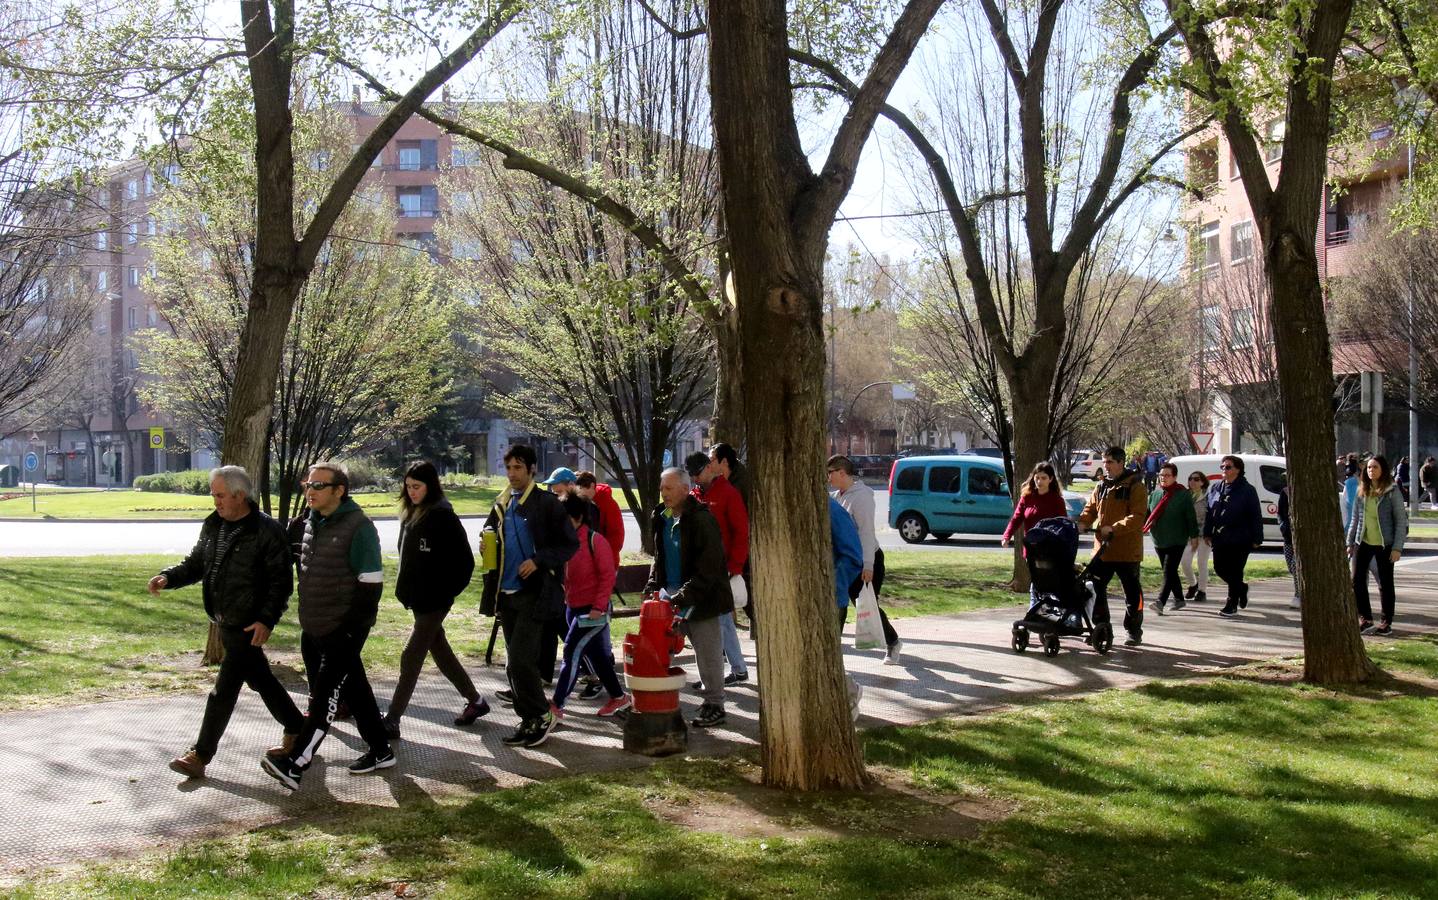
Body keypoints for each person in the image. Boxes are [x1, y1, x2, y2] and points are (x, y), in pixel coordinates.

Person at [151, 466, 304, 779]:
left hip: (247, 623)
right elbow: (196, 564)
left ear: (239, 495)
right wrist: (168, 577)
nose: (216, 501)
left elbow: (280, 582)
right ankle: (298, 728)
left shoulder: (266, 530)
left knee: (224, 690)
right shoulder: (213, 525)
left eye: (220, 495)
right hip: (224, 619)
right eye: (214, 495)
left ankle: (200, 755)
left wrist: (266, 619)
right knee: (260, 679)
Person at [261, 462, 393, 791]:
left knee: (324, 697)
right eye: (309, 485)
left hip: (343, 629)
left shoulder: (359, 527)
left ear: (339, 491)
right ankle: (380, 749)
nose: (311, 491)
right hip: (314, 626)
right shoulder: (309, 523)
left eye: (320, 486)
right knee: (356, 689)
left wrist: (349, 631)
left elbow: (371, 585)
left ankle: (296, 764)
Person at [479, 444, 579, 748]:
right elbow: (490, 530)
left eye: (518, 468)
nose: (512, 474)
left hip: (535, 594)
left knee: (522, 660)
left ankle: (543, 715)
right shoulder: (502, 502)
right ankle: (528, 719)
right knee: (513, 664)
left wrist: (538, 561)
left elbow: (568, 544)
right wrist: (485, 543)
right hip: (505, 593)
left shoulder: (546, 504)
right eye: (508, 468)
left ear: (532, 469)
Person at [381, 461, 486, 741]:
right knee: (439, 650)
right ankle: (475, 701)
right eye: (408, 487)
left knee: (411, 654)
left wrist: (445, 594)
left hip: (435, 601)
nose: (412, 492)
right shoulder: (411, 514)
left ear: (430, 486)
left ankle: (392, 719)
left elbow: (465, 563)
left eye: (417, 487)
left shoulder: (443, 517)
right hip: (418, 600)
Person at [646, 466, 733, 728]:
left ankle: (715, 704)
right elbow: (659, 558)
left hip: (701, 597)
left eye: (669, 488)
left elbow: (709, 568)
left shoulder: (702, 520)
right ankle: (651, 699)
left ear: (685, 489)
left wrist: (683, 597)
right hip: (670, 596)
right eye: (662, 488)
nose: (664, 493)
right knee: (659, 649)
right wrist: (653, 585)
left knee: (707, 653)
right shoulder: (660, 517)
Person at [551, 494, 631, 716]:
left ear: (577, 518)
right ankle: (619, 697)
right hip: (573, 608)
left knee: (571, 652)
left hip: (592, 613)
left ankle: (557, 705)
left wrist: (598, 607)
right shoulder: (565, 542)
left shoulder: (596, 541)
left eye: (563, 518)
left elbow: (607, 577)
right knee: (597, 657)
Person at [829, 454, 903, 663]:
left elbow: (866, 533)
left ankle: (893, 642)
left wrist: (868, 565)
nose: (828, 478)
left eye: (830, 473)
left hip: (867, 559)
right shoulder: (837, 496)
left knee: (866, 604)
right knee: (842, 599)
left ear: (842, 472)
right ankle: (833, 648)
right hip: (847, 560)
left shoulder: (861, 497)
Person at [687, 451, 750, 685]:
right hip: (700, 568)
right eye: (692, 475)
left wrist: (735, 566)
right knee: (707, 622)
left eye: (698, 473)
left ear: (709, 468)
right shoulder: (695, 494)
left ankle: (734, 669)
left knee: (721, 620)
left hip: (721, 568)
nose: (695, 479)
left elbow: (741, 532)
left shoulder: (728, 494)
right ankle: (720, 671)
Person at [1078, 446, 1149, 646]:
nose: (1106, 466)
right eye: (1104, 462)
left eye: (1109, 462)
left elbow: (1137, 517)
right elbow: (1090, 508)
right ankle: (1101, 628)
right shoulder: (1101, 486)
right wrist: (1083, 521)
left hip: (1127, 551)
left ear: (1120, 463)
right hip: (1103, 551)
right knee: (1094, 589)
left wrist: (1114, 528)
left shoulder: (1135, 486)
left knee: (1132, 593)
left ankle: (1134, 630)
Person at [1346, 454, 1409, 636]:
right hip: (1363, 541)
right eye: (1369, 468)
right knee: (1357, 579)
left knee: (1385, 583)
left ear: (1383, 470)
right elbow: (1355, 519)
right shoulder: (1362, 490)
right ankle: (1365, 618)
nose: (1371, 471)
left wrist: (1397, 548)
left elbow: (1400, 521)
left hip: (1385, 544)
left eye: (1375, 467)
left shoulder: (1392, 491)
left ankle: (1385, 622)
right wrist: (1350, 542)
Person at [1204, 455, 1263, 619]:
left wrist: (1257, 538)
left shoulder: (1247, 490)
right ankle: (1241, 588)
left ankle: (1231, 604)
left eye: (1228, 467)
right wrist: (1207, 532)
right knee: (1219, 568)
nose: (1224, 469)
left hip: (1240, 537)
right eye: (1222, 467)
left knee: (1236, 571)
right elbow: (1209, 512)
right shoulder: (1215, 488)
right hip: (1220, 537)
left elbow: (1255, 515)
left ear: (1238, 469)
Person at [1145, 462, 1199, 615]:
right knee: (1170, 571)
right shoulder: (1155, 494)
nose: (1163, 478)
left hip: (1177, 539)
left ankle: (1160, 602)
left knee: (1168, 571)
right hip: (1159, 539)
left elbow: (1190, 517)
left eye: (1167, 475)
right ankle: (1179, 599)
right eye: (1161, 475)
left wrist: (1194, 536)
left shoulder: (1182, 494)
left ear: (1174, 477)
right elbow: (1148, 514)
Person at [829, 494, 865, 721]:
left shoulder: (830, 509)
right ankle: (848, 689)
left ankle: (848, 696)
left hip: (830, 599)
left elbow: (853, 555)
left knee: (825, 656)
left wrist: (832, 587)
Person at [574, 470, 624, 567]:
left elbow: (616, 537)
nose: (579, 496)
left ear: (592, 486)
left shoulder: (608, 504)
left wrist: (602, 556)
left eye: (582, 491)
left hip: (605, 561)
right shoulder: (582, 503)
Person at [1181, 471, 1211, 603]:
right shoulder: (1185, 496)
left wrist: (1209, 534)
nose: (1192, 481)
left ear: (1202, 482)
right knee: (1185, 562)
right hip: (1189, 536)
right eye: (1190, 479)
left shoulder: (1209, 497)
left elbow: (1211, 517)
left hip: (1204, 536)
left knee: (1202, 563)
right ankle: (1193, 584)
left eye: (1196, 479)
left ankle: (1202, 591)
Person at [1277, 484, 1301, 610]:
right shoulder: (1285, 492)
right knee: (1291, 568)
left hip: (1302, 538)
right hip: (1288, 537)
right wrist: (1283, 526)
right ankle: (1301, 590)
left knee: (1295, 565)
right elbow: (1280, 513)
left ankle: (1298, 595)